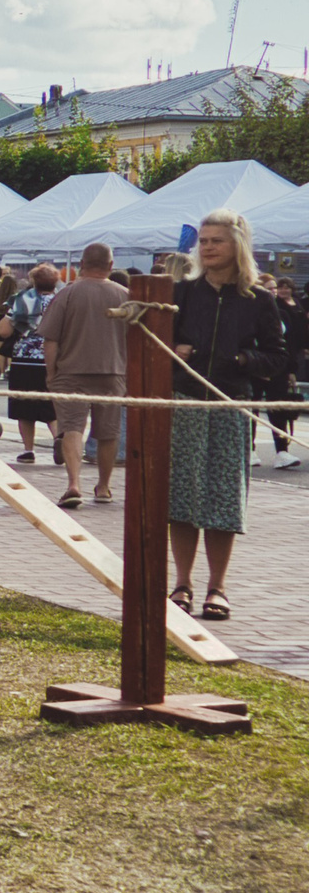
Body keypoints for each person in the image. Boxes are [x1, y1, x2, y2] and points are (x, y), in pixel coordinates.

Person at [167, 210, 288, 622]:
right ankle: (182, 583)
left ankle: (217, 586)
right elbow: (155, 344)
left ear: (237, 244)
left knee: (223, 500)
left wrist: (241, 359)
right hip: (184, 404)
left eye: (216, 240)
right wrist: (175, 350)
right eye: (203, 241)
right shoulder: (183, 293)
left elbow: (277, 357)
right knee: (182, 498)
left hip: (230, 405)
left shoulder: (259, 300)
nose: (207, 248)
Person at [41, 242, 129, 509]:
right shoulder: (125, 295)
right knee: (108, 432)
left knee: (72, 428)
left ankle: (73, 484)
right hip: (113, 370)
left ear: (81, 264)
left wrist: (51, 373)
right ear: (111, 266)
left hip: (71, 370)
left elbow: (51, 339)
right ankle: (103, 486)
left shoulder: (67, 294)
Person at [0, 262, 61, 461]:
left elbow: (3, 331)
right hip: (53, 358)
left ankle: (28, 450)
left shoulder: (25, 299)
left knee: (23, 405)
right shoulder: (60, 301)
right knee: (50, 405)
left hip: (24, 359)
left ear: (33, 281)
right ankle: (58, 439)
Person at [268, 274, 304, 470]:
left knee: (278, 408)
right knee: (253, 407)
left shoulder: (284, 313)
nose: (274, 292)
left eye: (274, 288)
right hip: (255, 367)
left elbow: (289, 343)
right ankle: (251, 449)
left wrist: (291, 369)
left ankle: (282, 451)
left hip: (278, 367)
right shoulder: (251, 309)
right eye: (269, 288)